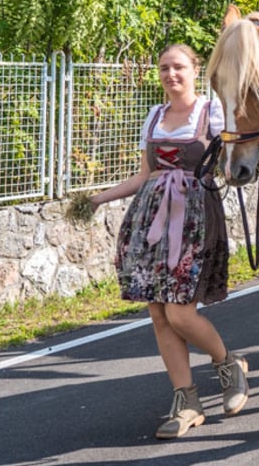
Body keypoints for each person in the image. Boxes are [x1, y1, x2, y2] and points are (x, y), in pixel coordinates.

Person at [89, 44, 249, 440]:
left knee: (179, 313)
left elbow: (232, 163)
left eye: (178, 67)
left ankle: (228, 364)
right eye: (164, 68)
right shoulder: (155, 116)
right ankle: (187, 400)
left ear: (195, 70)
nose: (170, 74)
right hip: (150, 218)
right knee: (158, 314)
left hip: (195, 218)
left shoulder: (212, 112)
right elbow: (143, 175)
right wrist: (96, 198)